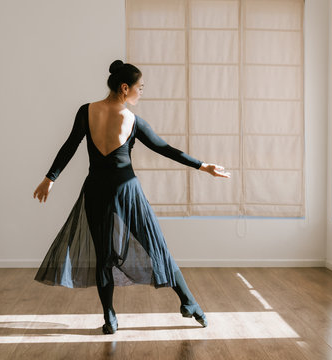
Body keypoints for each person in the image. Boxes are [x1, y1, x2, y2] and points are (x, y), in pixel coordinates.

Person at [32, 60, 230, 335]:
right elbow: (165, 149)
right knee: (157, 247)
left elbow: (70, 145)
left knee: (103, 257)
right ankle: (189, 303)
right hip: (127, 193)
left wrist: (49, 178)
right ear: (125, 88)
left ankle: (110, 318)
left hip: (96, 191)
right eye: (140, 88)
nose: (141, 93)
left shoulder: (86, 112)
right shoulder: (133, 121)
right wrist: (202, 166)